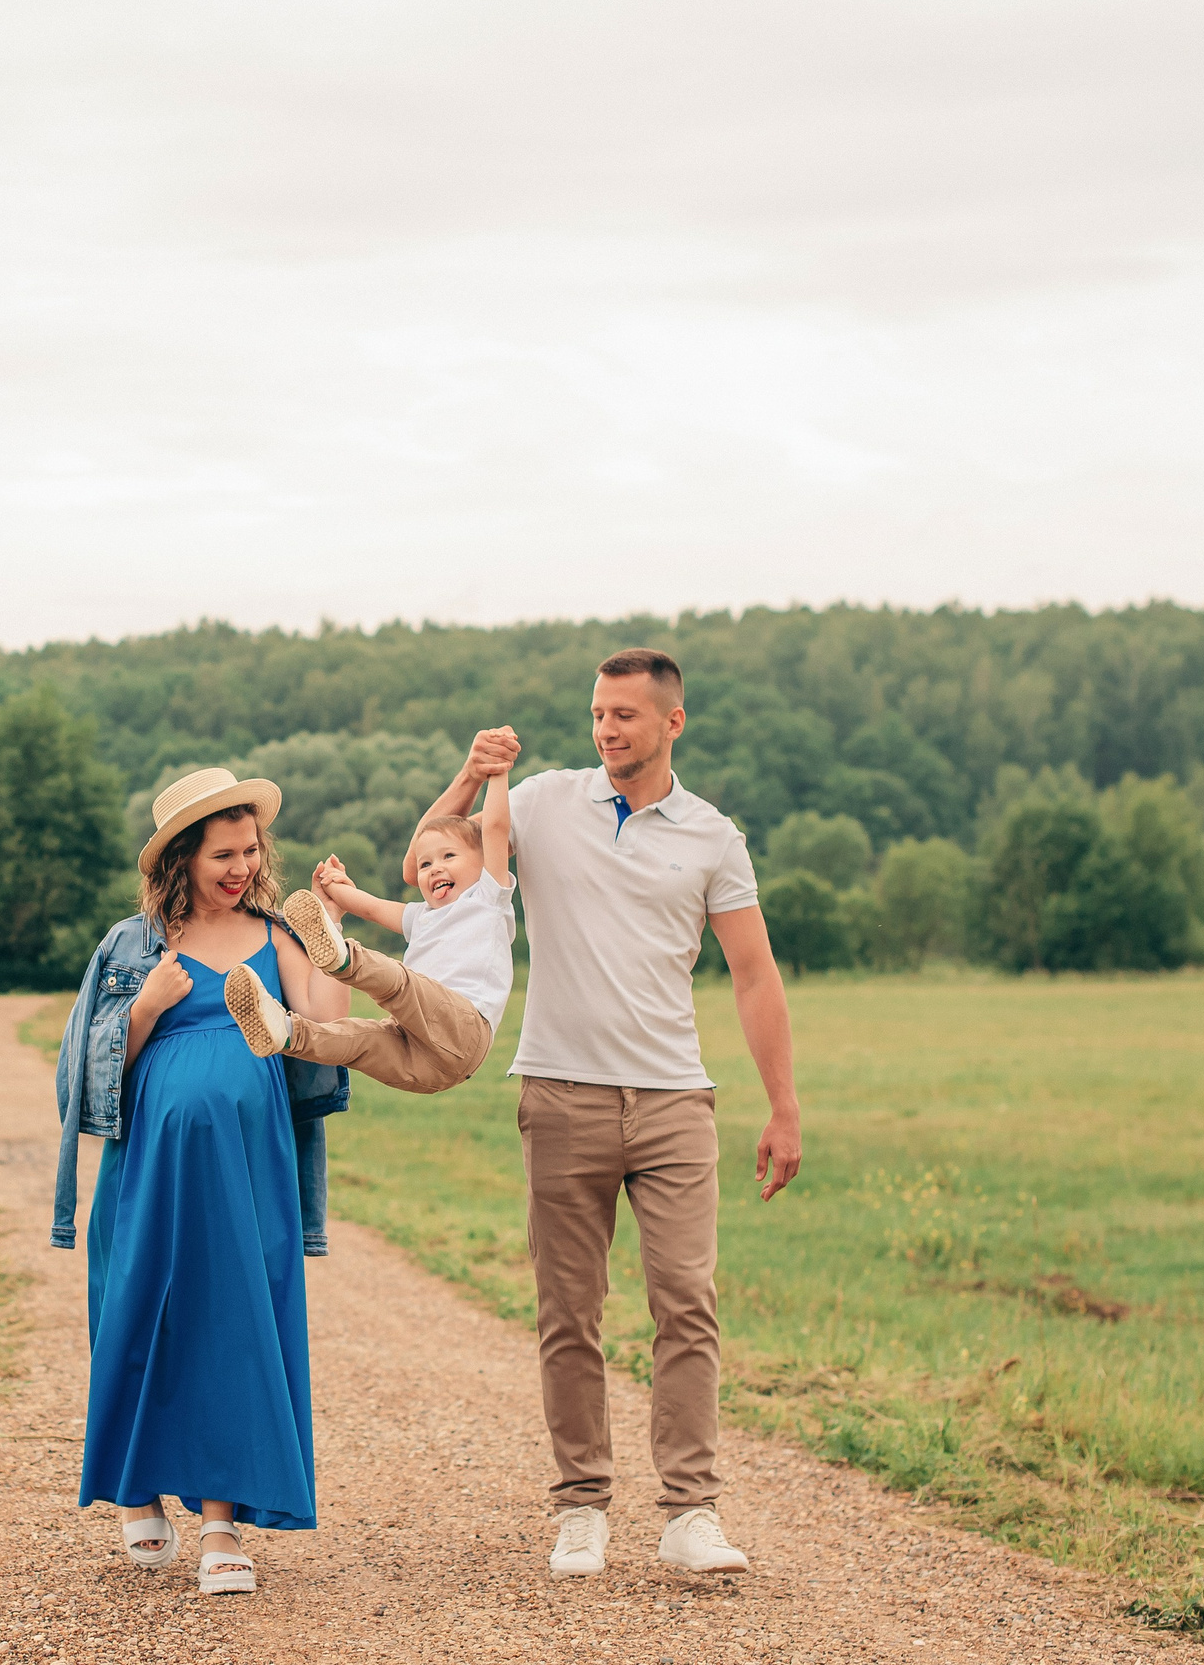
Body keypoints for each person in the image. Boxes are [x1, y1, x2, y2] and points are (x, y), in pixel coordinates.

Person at [405, 650, 802, 1580]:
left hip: (673, 1100)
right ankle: (581, 1506)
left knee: (686, 1305)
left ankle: (690, 1512)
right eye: (597, 712)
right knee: (567, 1311)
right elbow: (436, 848)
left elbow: (754, 972)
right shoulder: (540, 802)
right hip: (560, 1091)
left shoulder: (712, 835)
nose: (606, 728)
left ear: (673, 722)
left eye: (625, 714)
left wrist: (783, 1105)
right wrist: (473, 770)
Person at [52, 767, 350, 1594]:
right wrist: (144, 1008)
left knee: (232, 1322)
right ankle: (138, 1488)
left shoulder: (274, 936)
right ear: (180, 858)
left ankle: (221, 1523)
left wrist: (326, 930)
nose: (241, 866)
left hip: (246, 1176)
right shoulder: (128, 947)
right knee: (144, 1313)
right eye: (224, 852)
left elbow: (322, 1033)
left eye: (251, 849)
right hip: (148, 1174)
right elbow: (78, 1079)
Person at [221, 752, 513, 1096]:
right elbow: (372, 908)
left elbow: (494, 827)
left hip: (463, 1029)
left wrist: (498, 769)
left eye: (448, 856)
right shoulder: (422, 917)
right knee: (359, 1041)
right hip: (424, 1062)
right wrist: (334, 890)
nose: (434, 868)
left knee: (401, 983)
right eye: (425, 864)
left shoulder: (488, 897)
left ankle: (341, 958)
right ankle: (285, 1032)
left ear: (482, 862)